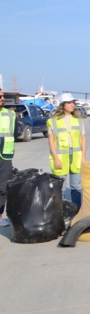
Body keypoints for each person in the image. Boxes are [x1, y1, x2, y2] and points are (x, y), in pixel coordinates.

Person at [47, 93, 87, 206]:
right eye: (69, 103)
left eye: (73, 102)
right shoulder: (53, 121)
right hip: (60, 157)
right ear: (62, 105)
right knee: (61, 188)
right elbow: (51, 141)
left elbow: (83, 139)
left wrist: (83, 156)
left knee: (76, 187)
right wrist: (56, 158)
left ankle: (76, 211)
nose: (72, 105)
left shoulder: (79, 120)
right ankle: (62, 212)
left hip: (76, 157)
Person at [0, 88, 21, 227]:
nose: (2, 98)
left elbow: (13, 134)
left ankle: (0, 217)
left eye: (2, 96)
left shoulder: (11, 114)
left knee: (2, 187)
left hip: (5, 155)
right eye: (0, 96)